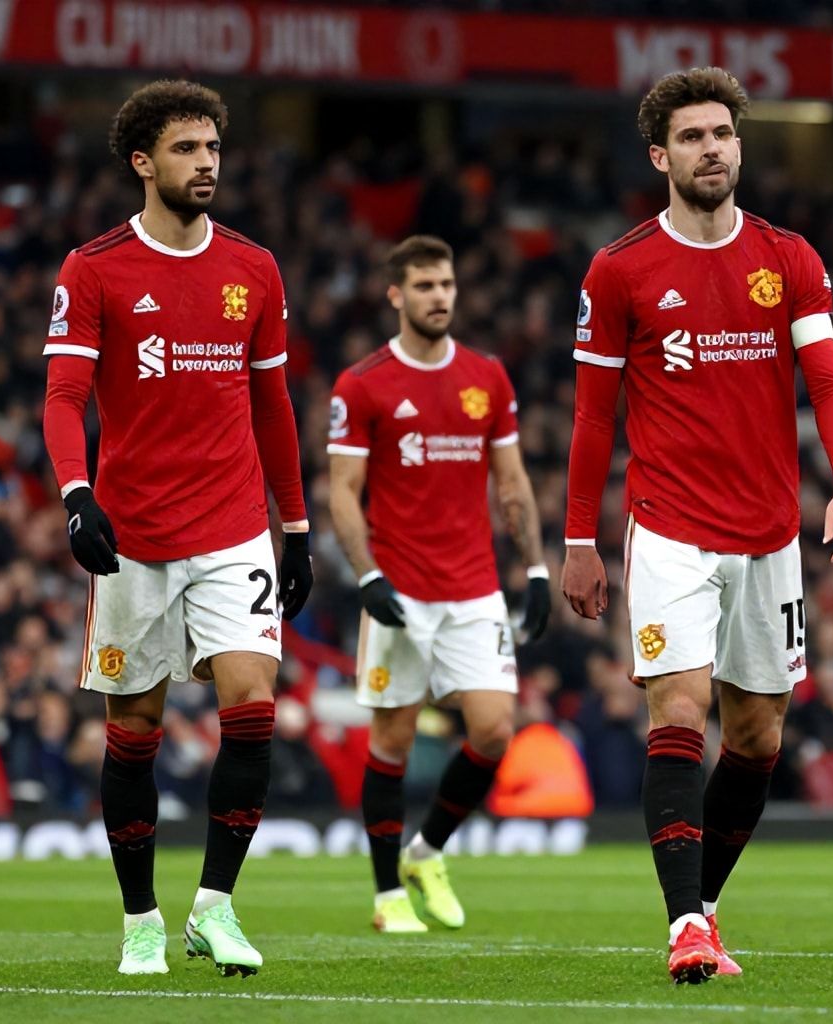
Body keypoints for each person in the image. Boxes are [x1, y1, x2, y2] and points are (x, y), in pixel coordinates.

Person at [562, 66, 833, 983]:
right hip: (670, 528)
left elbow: (829, 381)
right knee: (681, 709)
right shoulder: (620, 268)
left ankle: (705, 903)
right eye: (692, 137)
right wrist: (578, 539)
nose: (712, 149)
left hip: (770, 533)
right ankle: (685, 925)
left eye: (723, 134)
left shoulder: (789, 258)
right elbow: (592, 416)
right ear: (661, 156)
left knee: (759, 737)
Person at [40, 79, 311, 978]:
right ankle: (140, 920)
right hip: (134, 536)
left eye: (213, 148)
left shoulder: (253, 267)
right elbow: (64, 396)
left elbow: (273, 406)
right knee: (135, 730)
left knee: (254, 707)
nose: (205, 164)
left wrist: (297, 525)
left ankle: (215, 907)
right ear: (142, 162)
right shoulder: (95, 268)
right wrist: (77, 494)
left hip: (233, 527)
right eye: (186, 150)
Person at [327, 235, 551, 934]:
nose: (439, 297)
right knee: (392, 739)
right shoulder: (362, 384)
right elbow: (343, 490)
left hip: (475, 587)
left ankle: (425, 852)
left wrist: (536, 569)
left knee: (494, 730)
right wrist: (366, 574)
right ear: (396, 294)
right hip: (400, 590)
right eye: (424, 286)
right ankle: (386, 897)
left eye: (446, 284)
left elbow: (512, 482)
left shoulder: (488, 378)